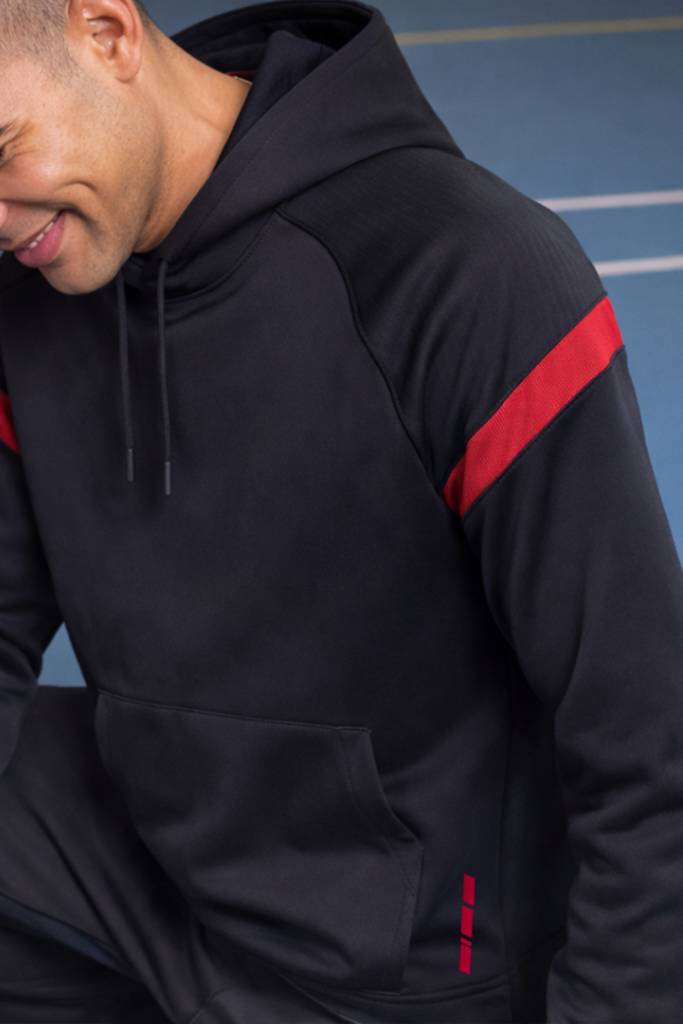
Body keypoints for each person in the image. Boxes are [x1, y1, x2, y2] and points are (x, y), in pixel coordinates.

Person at [0, 0, 682, 1021]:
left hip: (405, 962)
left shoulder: (471, 275)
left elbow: (650, 744)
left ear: (107, 33)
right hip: (166, 863)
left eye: (1, 150)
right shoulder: (38, 276)